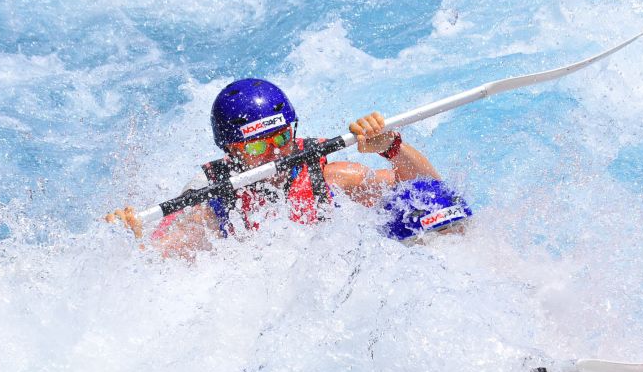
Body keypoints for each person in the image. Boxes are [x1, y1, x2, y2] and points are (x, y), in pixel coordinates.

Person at [105, 79, 472, 252]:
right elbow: (164, 251)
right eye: (257, 146)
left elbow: (433, 193)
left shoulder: (333, 177)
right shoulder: (212, 201)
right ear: (230, 152)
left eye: (280, 140)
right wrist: (133, 232)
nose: (273, 155)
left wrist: (391, 147)